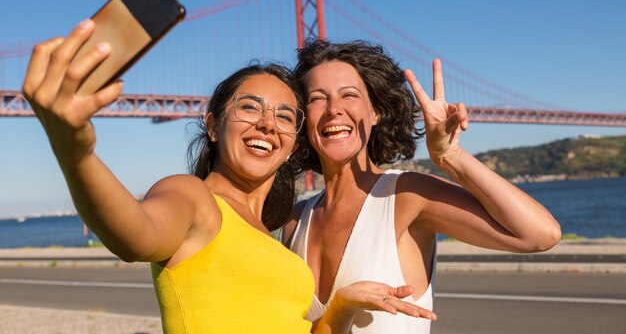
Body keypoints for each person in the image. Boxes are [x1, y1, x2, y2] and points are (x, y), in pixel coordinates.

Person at [22, 21, 436, 334]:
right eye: (250, 108)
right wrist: (76, 153)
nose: (267, 124)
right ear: (214, 125)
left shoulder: (274, 231)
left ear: (294, 143)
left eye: (285, 116)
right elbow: (135, 234)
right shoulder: (193, 198)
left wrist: (341, 307)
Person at [283, 40, 562, 333]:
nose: (333, 109)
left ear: (376, 112)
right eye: (317, 98)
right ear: (303, 118)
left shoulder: (407, 195)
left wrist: (450, 157)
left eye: (349, 94)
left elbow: (541, 235)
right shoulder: (294, 220)